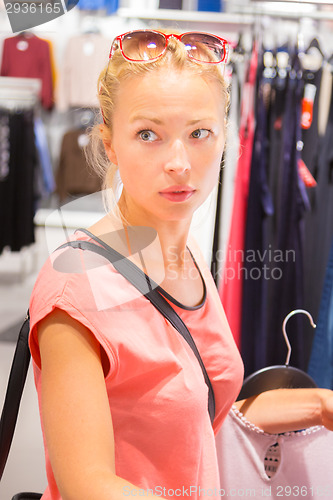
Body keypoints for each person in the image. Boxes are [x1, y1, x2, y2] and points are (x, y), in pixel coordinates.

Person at [29, 30, 333, 500]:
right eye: (148, 134)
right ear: (110, 144)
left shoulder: (187, 258)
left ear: (225, 139)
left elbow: (207, 417)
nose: (178, 162)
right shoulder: (77, 289)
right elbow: (86, 485)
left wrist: (319, 404)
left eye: (199, 134)